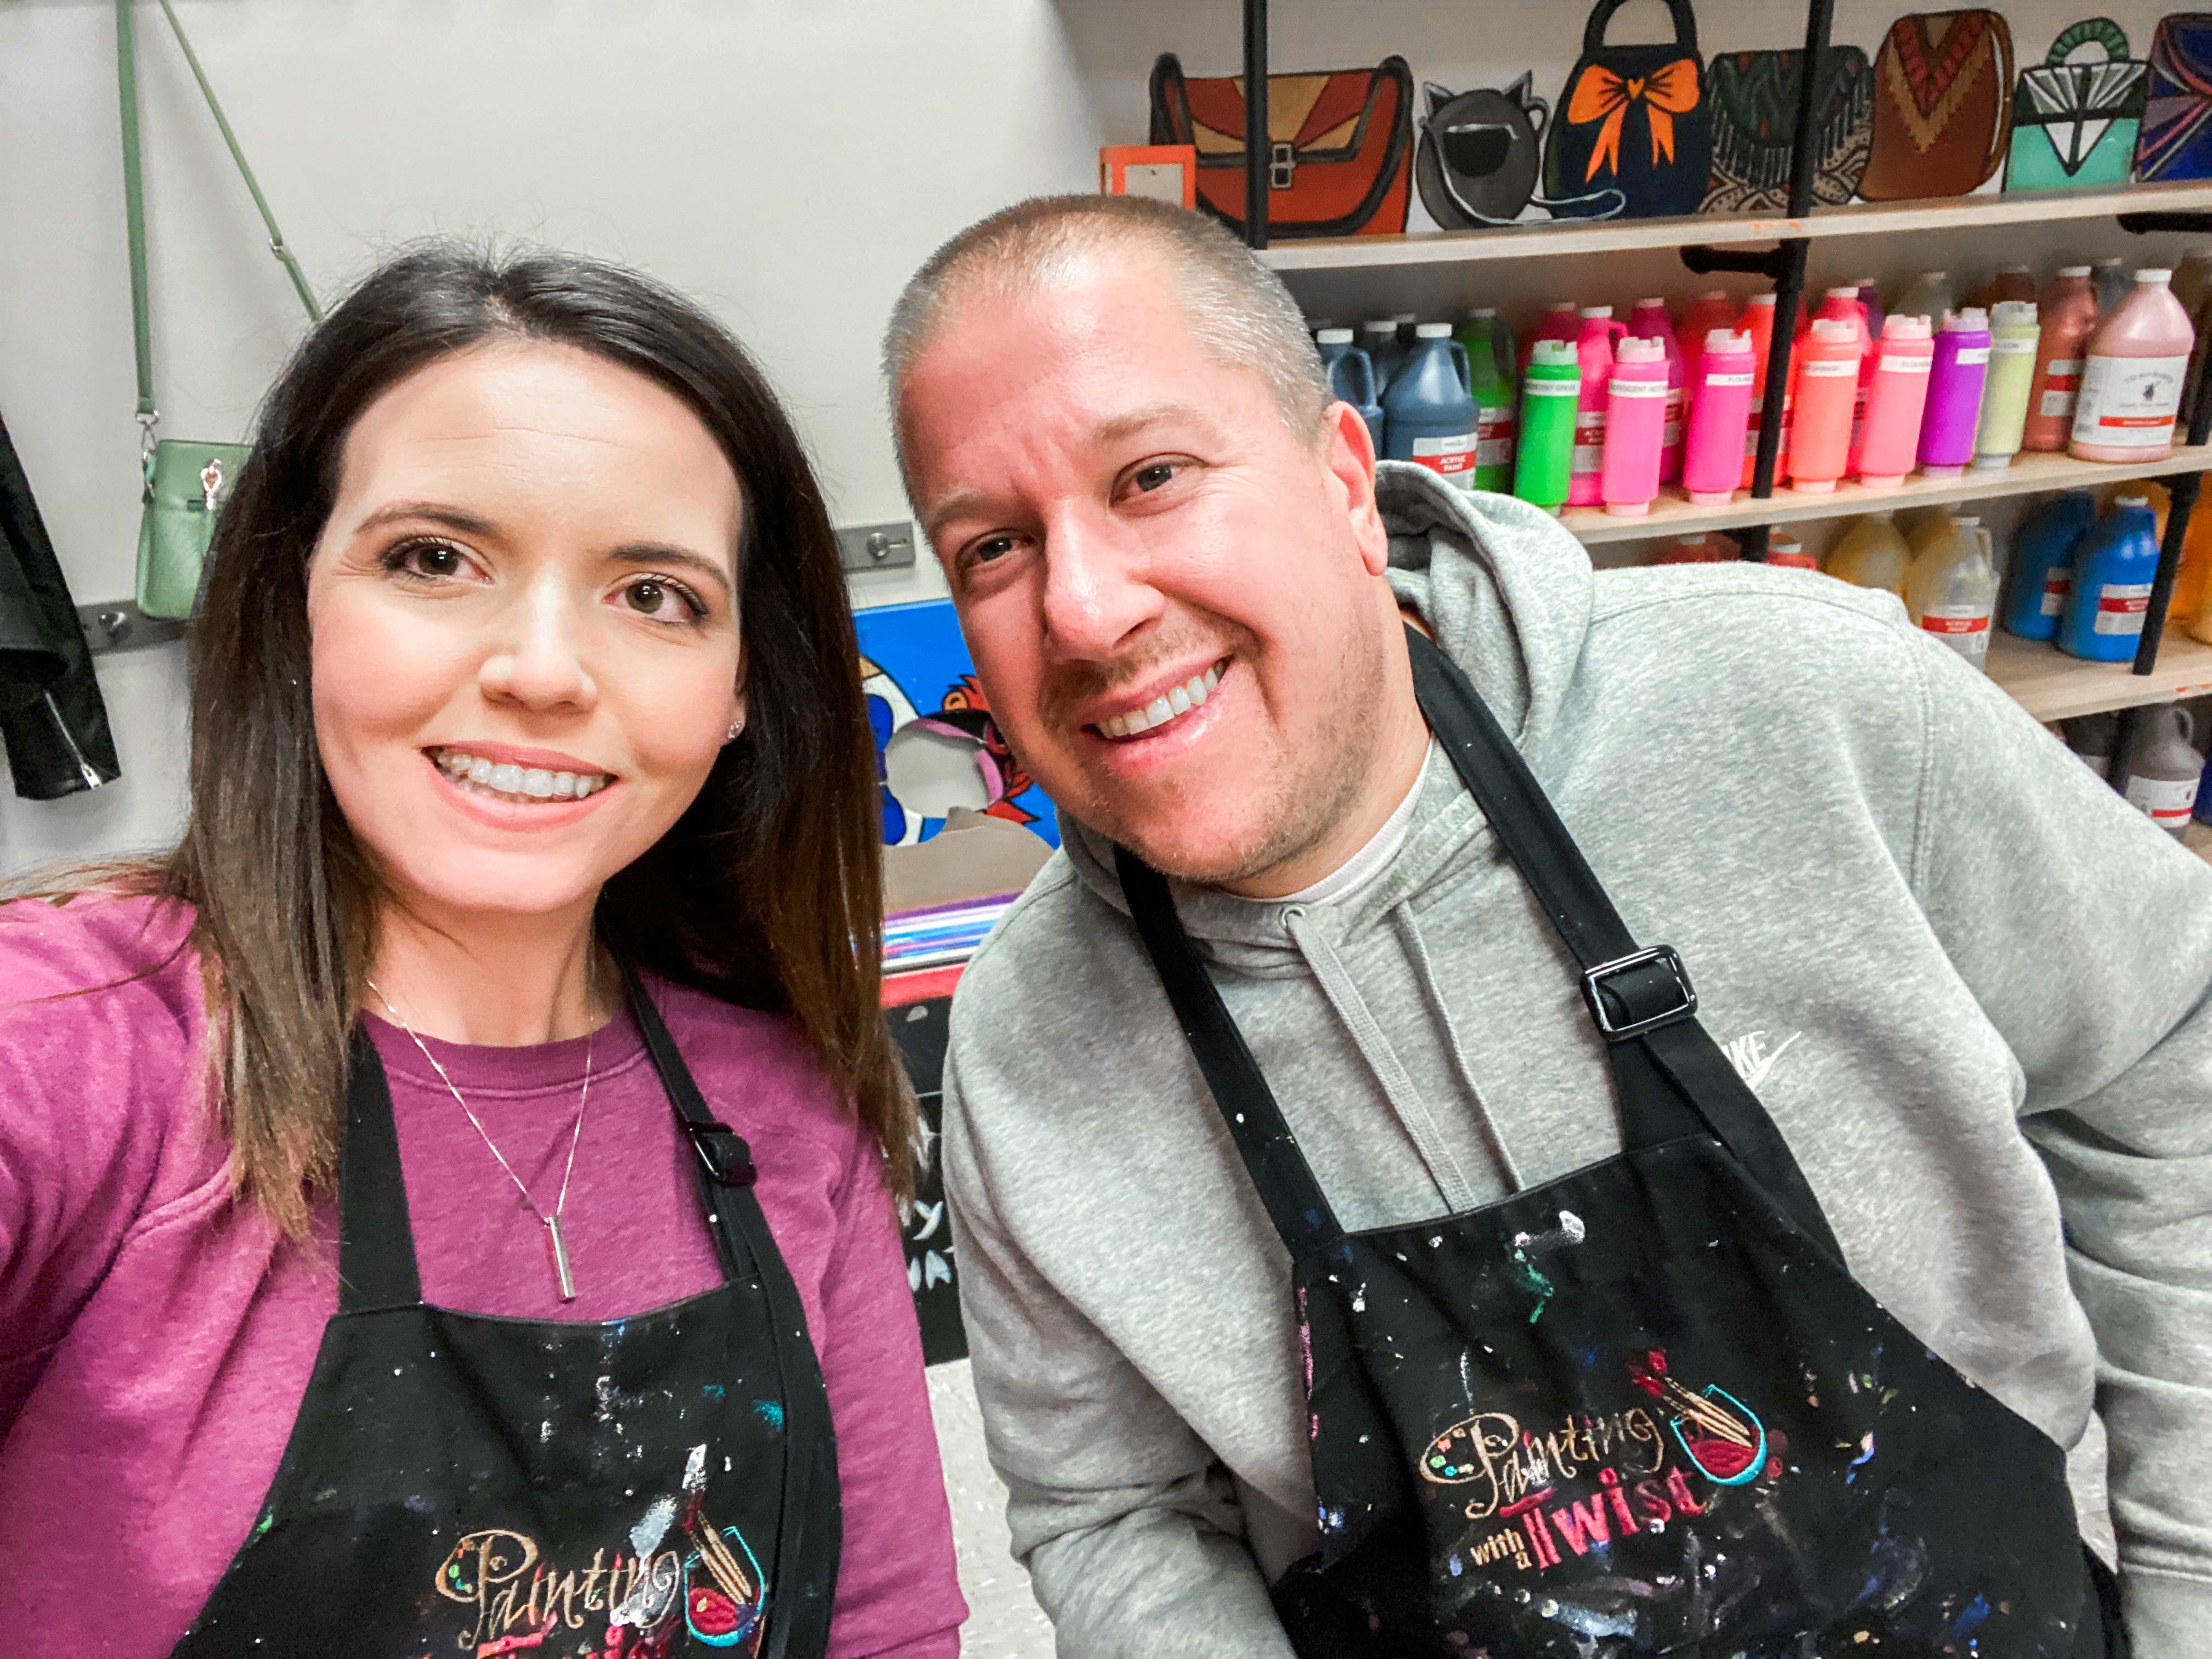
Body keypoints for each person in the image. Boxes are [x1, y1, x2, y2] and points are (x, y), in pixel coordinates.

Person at [883, 193, 2212, 1658]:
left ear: (1341, 476)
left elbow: (2173, 1062)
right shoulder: (1025, 1055)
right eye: (992, 549)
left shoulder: (1802, 710)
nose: (1081, 608)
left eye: (1151, 475)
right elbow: (1110, 1510)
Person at [0, 244, 967, 1658]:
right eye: (434, 560)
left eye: (654, 595)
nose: (543, 670)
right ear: (294, 601)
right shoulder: (72, 1048)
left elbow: (879, 1630)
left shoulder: (789, 1101)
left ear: (744, 682)